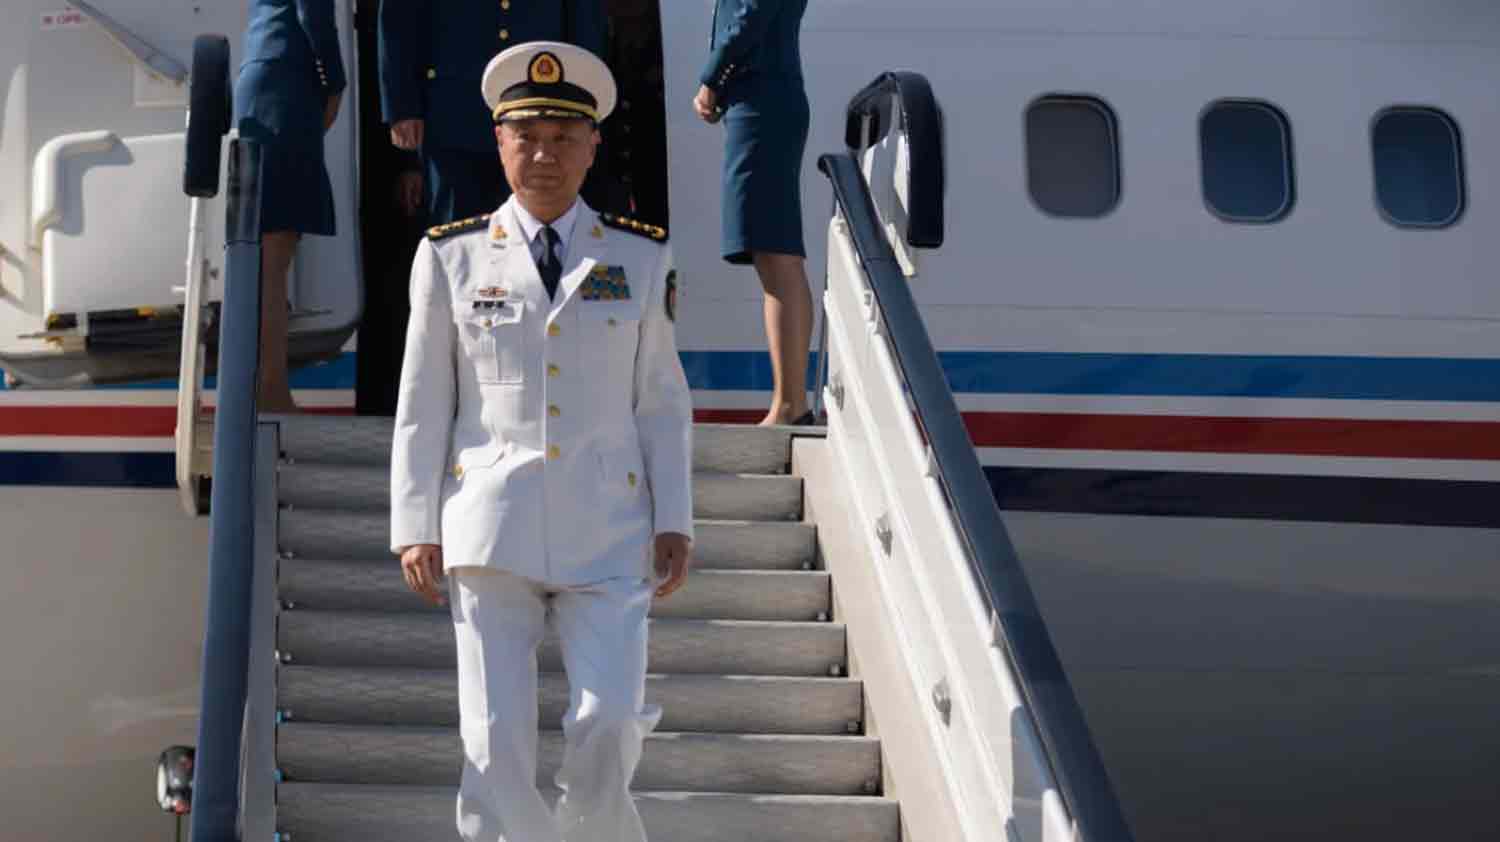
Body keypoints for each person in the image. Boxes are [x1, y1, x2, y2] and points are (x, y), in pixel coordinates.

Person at [389, 41, 694, 842]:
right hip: (491, 522)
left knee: (609, 720)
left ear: (594, 146)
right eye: (526, 135)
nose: (544, 154)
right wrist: (414, 523)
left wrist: (677, 519)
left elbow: (660, 401)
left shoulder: (639, 253)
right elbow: (423, 399)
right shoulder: (449, 256)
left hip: (610, 526)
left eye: (564, 138)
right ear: (499, 143)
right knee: (493, 741)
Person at [378, 0, 608, 224]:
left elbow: (584, 22)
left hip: (539, 107)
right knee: (459, 238)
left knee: (536, 228)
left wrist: (585, 103)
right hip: (455, 111)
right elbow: (399, 18)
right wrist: (403, 105)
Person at [694, 0, 813, 426]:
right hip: (757, 101)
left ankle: (790, 403)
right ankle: (790, 400)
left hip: (763, 103)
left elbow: (751, 13)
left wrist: (711, 79)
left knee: (776, 253)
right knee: (771, 253)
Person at [234, 0, 345, 413]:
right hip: (285, 85)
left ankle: (269, 388)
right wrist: (336, 81)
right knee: (273, 258)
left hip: (267, 79)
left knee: (268, 258)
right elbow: (313, 14)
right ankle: (271, 393)